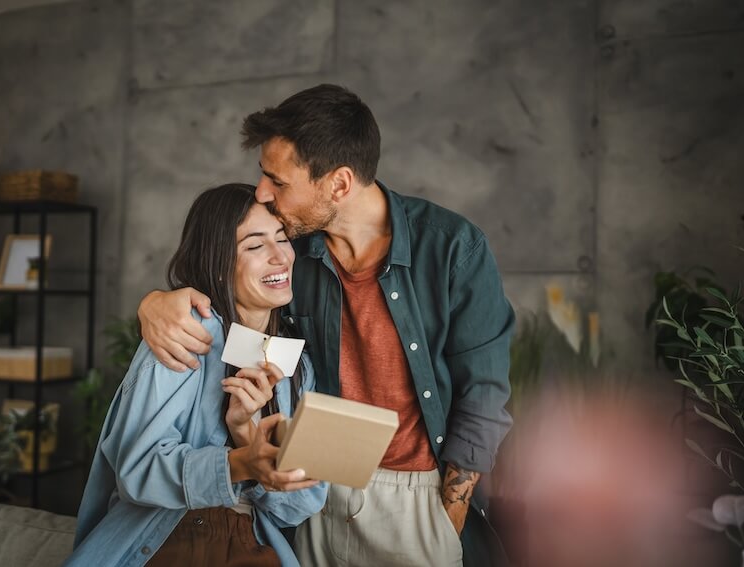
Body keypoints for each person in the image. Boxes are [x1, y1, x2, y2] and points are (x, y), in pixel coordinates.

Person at [138, 85, 515, 566]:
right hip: (309, 493)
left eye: (278, 181)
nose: (262, 193)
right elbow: (231, 297)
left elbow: (483, 396)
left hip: (416, 500)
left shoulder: (453, 248)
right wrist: (154, 303)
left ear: (338, 185)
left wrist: (449, 514)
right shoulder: (290, 252)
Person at [67, 183, 327, 567]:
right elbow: (138, 470)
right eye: (255, 245)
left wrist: (246, 433)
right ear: (218, 264)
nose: (280, 256)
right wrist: (241, 463)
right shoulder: (185, 332)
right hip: (165, 537)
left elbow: (302, 504)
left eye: (282, 238)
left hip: (251, 541)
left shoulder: (297, 365)